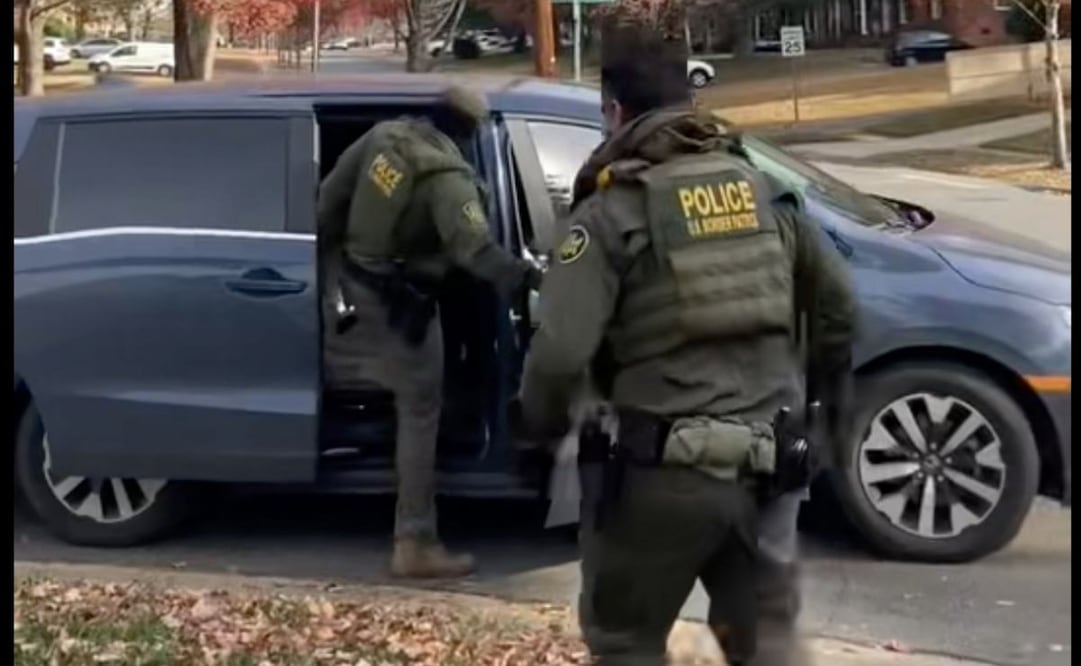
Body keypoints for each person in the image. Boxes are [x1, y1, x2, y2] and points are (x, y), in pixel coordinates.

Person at [516, 21, 856, 666]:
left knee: (626, 643)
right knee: (766, 647)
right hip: (766, 468)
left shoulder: (611, 213)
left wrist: (536, 437)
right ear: (690, 100)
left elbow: (559, 355)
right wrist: (821, 420)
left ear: (612, 110)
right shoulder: (766, 194)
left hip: (658, 479)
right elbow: (838, 312)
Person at [318, 86, 541, 579]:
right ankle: (414, 541)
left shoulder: (383, 137)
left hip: (359, 281)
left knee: (408, 395)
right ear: (469, 131)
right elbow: (476, 255)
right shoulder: (449, 177)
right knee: (421, 409)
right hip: (402, 302)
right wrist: (535, 279)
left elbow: (329, 200)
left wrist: (327, 276)